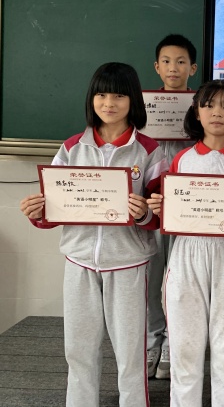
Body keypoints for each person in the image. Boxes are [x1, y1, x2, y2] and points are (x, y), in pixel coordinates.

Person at [20, 62, 168, 407]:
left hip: (128, 263)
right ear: (91, 98)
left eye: (118, 95)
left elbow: (159, 214)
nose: (109, 103)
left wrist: (144, 212)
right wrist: (38, 213)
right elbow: (55, 207)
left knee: (130, 350)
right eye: (101, 94)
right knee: (79, 347)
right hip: (80, 260)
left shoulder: (149, 150)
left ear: (133, 100)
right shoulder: (72, 147)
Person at [147, 80, 224, 407]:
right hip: (187, 254)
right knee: (185, 345)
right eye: (209, 105)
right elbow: (171, 213)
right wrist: (159, 208)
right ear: (196, 112)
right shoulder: (182, 159)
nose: (217, 113)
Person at [147, 33, 198, 380]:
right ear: (156, 67)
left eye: (181, 62)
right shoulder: (142, 106)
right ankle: (153, 338)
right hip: (152, 205)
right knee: (151, 275)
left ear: (192, 68)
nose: (173, 68)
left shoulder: (202, 107)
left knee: (181, 278)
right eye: (166, 61)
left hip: (190, 206)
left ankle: (173, 341)